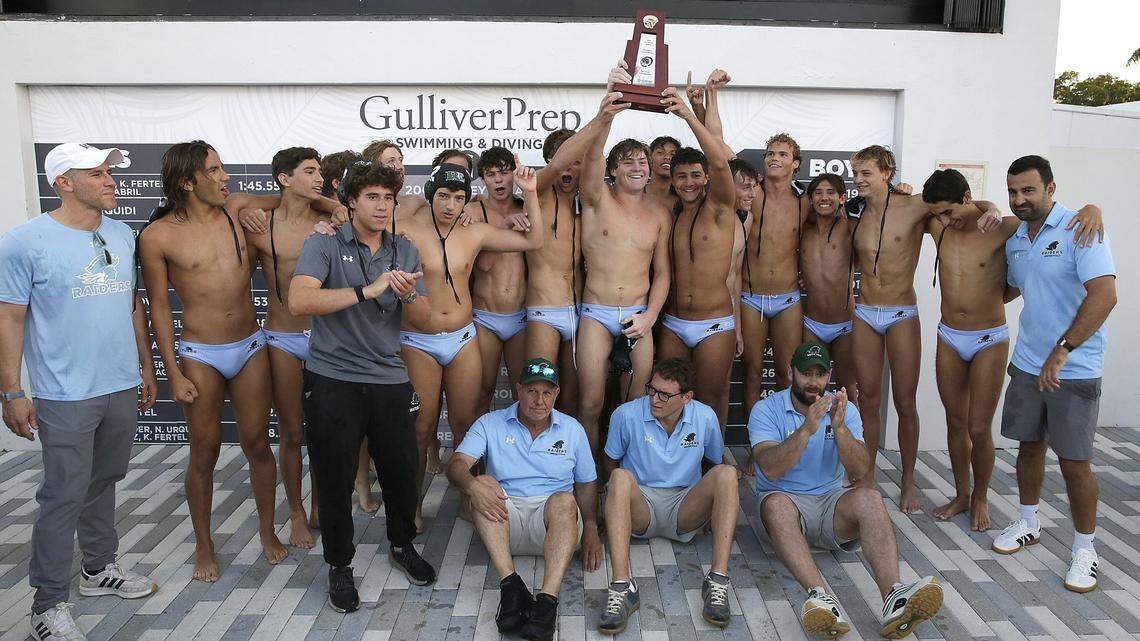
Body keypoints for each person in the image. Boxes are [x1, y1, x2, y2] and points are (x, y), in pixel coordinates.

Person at [0, 143, 159, 641]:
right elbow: (10, 316)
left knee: (105, 478)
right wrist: (11, 391)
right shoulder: (25, 241)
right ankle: (46, 606)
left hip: (120, 383)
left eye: (110, 172)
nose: (112, 181)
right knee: (62, 495)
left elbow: (132, 303)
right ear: (64, 183)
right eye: (98, 173)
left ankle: (97, 569)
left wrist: (145, 364)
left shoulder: (122, 233)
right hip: (65, 392)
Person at [288, 161, 437, 612]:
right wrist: (368, 290)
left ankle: (401, 544)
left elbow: (426, 319)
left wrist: (408, 295)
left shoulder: (404, 248)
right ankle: (339, 564)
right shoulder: (325, 242)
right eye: (371, 196)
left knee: (401, 469)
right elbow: (299, 300)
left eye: (388, 198)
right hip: (333, 376)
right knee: (333, 478)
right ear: (350, 201)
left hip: (389, 376)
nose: (381, 206)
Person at [923, 168, 1103, 531]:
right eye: (938, 213)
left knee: (978, 426)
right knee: (954, 421)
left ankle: (980, 497)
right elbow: (902, 204)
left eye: (949, 212)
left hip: (989, 336)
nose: (944, 219)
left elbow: (1045, 224)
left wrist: (1093, 207)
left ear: (967, 199)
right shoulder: (937, 226)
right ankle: (961, 493)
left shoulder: (1003, 227)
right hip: (949, 335)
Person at [139, 140, 287, 581]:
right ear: (188, 182)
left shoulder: (236, 207)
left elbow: (291, 199)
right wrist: (174, 370)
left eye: (223, 169)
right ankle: (205, 545)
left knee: (259, 443)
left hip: (249, 345)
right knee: (203, 452)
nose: (226, 178)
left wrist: (329, 207)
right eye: (215, 171)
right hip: (200, 352)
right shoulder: (157, 235)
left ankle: (267, 531)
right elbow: (159, 308)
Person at [750, 341, 943, 639]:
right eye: (805, 373)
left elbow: (861, 470)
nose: (813, 382)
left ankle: (895, 595)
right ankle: (822, 598)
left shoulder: (844, 410)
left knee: (869, 497)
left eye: (820, 374)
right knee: (775, 505)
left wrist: (840, 429)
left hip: (830, 506)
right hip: (784, 506)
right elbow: (770, 468)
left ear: (829, 375)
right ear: (791, 373)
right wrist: (806, 430)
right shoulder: (766, 409)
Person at [847, 145, 1002, 513]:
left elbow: (959, 202)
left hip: (902, 311)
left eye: (866, 173)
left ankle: (907, 482)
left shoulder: (915, 205)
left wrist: (992, 207)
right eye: (855, 174)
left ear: (887, 172)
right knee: (867, 399)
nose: (858, 180)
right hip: (866, 311)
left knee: (904, 402)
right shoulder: (853, 211)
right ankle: (867, 478)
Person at [992, 155, 1116, 594]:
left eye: (1028, 190)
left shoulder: (1082, 228)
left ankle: (1086, 549)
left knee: (1075, 463)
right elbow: (1012, 289)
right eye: (1013, 191)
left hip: (1072, 369)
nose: (1020, 199)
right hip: (1027, 364)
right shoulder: (1017, 238)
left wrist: (1063, 350)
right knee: (1028, 447)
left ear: (1051, 188)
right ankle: (1028, 522)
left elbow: (1104, 296)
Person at [398, 159, 543, 529]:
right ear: (430, 194)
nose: (450, 205)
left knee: (467, 422)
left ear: (467, 199)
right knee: (420, 426)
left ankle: (469, 495)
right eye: (443, 195)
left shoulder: (474, 231)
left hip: (462, 337)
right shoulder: (405, 229)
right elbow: (358, 222)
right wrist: (329, 218)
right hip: (419, 340)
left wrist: (530, 195)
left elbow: (534, 240)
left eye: (458, 197)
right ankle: (411, 502)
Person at [447, 358, 600, 641]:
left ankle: (546, 602)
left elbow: (587, 482)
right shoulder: (490, 423)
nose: (539, 400)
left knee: (565, 501)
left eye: (546, 392)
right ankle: (510, 585)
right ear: (518, 390)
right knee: (483, 484)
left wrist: (590, 527)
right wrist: (471, 485)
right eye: (531, 391)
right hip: (505, 523)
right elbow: (456, 464)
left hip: (555, 527)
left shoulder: (572, 429)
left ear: (556, 394)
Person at [600, 358, 739, 633]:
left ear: (687, 397)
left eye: (665, 394)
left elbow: (713, 461)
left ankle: (717, 580)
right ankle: (622, 586)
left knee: (727, 473)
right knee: (618, 478)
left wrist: (715, 507)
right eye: (652, 389)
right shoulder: (626, 415)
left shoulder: (705, 416)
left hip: (685, 503)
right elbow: (609, 462)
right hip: (642, 504)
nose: (655, 399)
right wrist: (615, 505)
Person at [239, 146, 329, 549]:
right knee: (292, 431)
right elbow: (231, 202)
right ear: (284, 178)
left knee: (328, 431)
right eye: (310, 172)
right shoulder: (261, 224)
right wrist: (246, 211)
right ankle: (295, 510)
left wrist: (332, 204)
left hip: (327, 338)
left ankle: (322, 503)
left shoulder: (331, 219)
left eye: (321, 172)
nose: (320, 178)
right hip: (282, 336)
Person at [576, 87, 672, 461]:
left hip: (639, 316)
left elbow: (663, 273)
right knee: (591, 402)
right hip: (597, 315)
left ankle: (624, 473)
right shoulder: (596, 198)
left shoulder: (660, 212)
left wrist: (650, 316)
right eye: (628, 162)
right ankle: (589, 473)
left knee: (635, 404)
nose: (638, 168)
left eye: (643, 162)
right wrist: (609, 112)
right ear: (613, 169)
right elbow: (592, 157)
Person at [655, 77, 738, 433]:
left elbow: (721, 163)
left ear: (705, 178)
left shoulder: (720, 205)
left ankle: (712, 464)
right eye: (680, 176)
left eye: (694, 175)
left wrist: (690, 115)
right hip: (674, 321)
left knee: (711, 396)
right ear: (671, 180)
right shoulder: (669, 210)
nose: (687, 182)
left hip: (713, 322)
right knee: (669, 397)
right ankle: (676, 463)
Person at [740, 133, 808, 404]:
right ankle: (757, 444)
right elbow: (721, 154)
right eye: (770, 153)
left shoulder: (805, 201)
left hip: (787, 298)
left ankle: (785, 441)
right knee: (753, 374)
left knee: (787, 375)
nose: (774, 158)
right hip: (750, 296)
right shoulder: (750, 192)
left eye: (782, 154)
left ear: (796, 163)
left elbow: (830, 237)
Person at [469, 147, 529, 411]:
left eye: (504, 173)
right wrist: (502, 228)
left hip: (520, 316)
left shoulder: (526, 208)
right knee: (483, 389)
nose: (498, 180)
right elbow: (482, 266)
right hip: (485, 316)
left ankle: (518, 452)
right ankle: (476, 452)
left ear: (514, 175)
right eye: (491, 174)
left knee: (523, 390)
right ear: (483, 179)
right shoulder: (473, 211)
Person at [799, 173, 857, 395]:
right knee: (811, 391)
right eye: (818, 193)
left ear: (842, 198)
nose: (824, 197)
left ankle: (850, 431)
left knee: (847, 389)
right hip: (812, 324)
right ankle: (814, 431)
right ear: (811, 199)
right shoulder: (803, 230)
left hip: (845, 324)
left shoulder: (851, 228)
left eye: (831, 192)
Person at [645, 135, 680, 211]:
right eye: (660, 152)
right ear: (650, 159)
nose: (667, 157)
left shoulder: (683, 200)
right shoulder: (635, 194)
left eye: (672, 154)